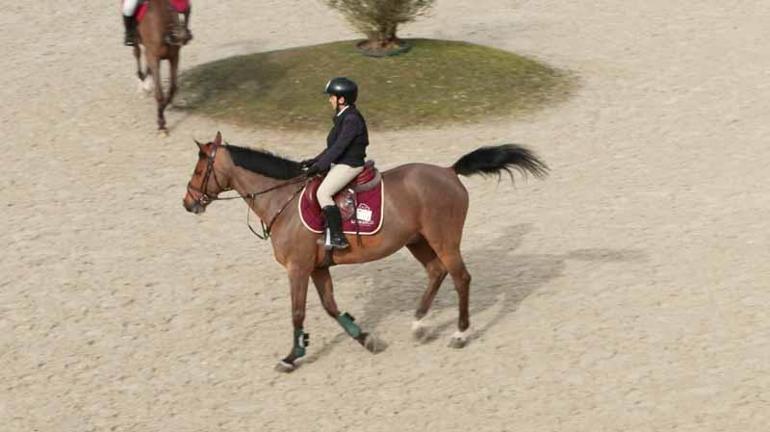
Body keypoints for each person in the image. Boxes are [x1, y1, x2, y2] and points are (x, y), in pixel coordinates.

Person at [303, 77, 369, 250]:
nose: (329, 100)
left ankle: (337, 237)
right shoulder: (343, 116)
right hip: (342, 162)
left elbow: (339, 147)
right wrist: (314, 161)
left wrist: (320, 166)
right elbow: (332, 147)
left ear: (341, 99)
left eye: (331, 97)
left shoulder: (351, 119)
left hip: (350, 165)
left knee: (323, 193)